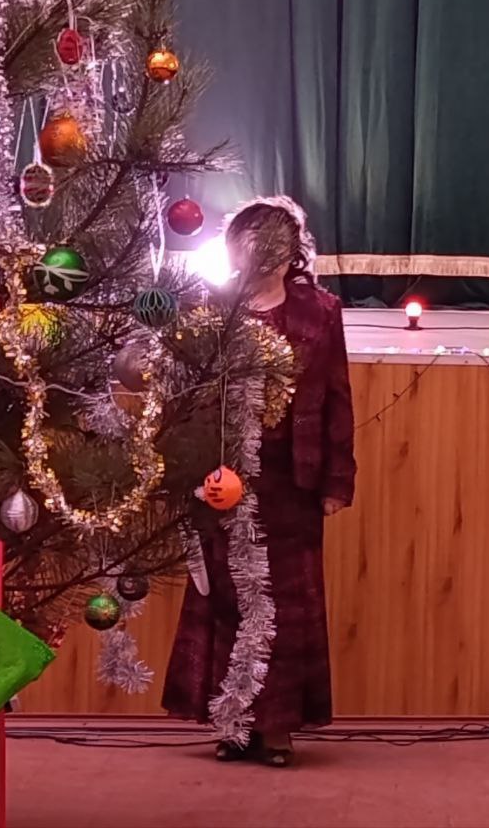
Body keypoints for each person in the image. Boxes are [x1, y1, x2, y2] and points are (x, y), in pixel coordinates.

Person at [163, 196, 356, 767]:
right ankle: (234, 724)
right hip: (221, 477)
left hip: (292, 481)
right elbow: (184, 396)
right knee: (226, 600)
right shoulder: (209, 309)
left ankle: (277, 729)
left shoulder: (322, 311)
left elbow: (337, 398)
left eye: (273, 242)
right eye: (249, 241)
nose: (260, 252)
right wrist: (185, 470)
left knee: (287, 605)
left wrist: (336, 481)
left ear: (292, 252)